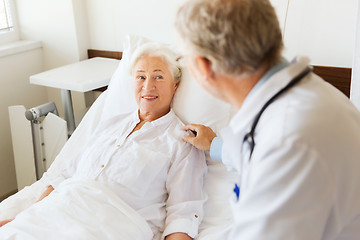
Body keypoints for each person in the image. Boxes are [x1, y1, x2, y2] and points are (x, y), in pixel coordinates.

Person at [175, 0, 360, 239]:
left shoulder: (290, 140)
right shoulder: (301, 98)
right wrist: (215, 146)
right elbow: (256, 147)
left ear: (203, 66)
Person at [0, 43, 207, 240]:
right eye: (141, 77)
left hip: (107, 226)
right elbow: (64, 175)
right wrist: (25, 217)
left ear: (175, 85)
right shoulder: (110, 124)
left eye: (158, 77)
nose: (148, 86)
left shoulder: (183, 141)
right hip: (56, 211)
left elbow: (183, 214)